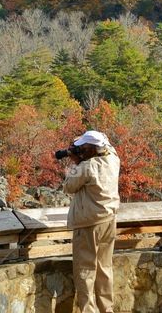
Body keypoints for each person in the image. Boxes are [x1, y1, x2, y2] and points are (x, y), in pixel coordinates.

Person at [63, 130, 121, 313]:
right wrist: (83, 148)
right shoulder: (113, 159)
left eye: (83, 147)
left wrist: (75, 161)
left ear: (90, 149)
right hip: (109, 220)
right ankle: (107, 309)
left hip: (88, 224)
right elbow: (106, 146)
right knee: (104, 268)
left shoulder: (87, 167)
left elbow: (68, 186)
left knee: (85, 270)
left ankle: (88, 310)